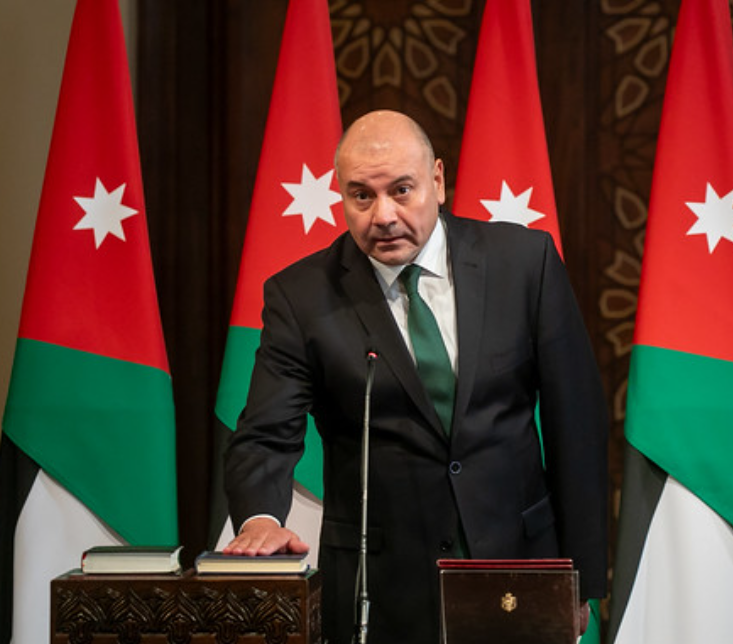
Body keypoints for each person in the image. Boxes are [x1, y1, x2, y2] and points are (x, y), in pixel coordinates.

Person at [223, 110, 608, 644]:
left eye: (401, 190)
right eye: (361, 196)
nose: (383, 216)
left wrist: (580, 576)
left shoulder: (524, 263)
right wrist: (260, 518)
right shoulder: (302, 297)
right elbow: (266, 433)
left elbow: (577, 427)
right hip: (380, 589)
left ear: (438, 181)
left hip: (517, 567)